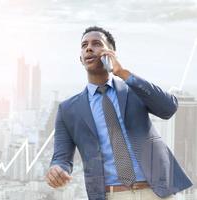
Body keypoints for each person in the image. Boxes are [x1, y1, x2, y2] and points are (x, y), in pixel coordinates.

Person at [45, 26, 193, 200]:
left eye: (96, 43)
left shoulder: (135, 90)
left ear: (112, 53)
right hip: (111, 195)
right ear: (81, 59)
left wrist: (122, 73)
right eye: (84, 45)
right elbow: (61, 158)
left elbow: (168, 108)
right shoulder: (68, 109)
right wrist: (57, 169)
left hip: (157, 192)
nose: (89, 48)